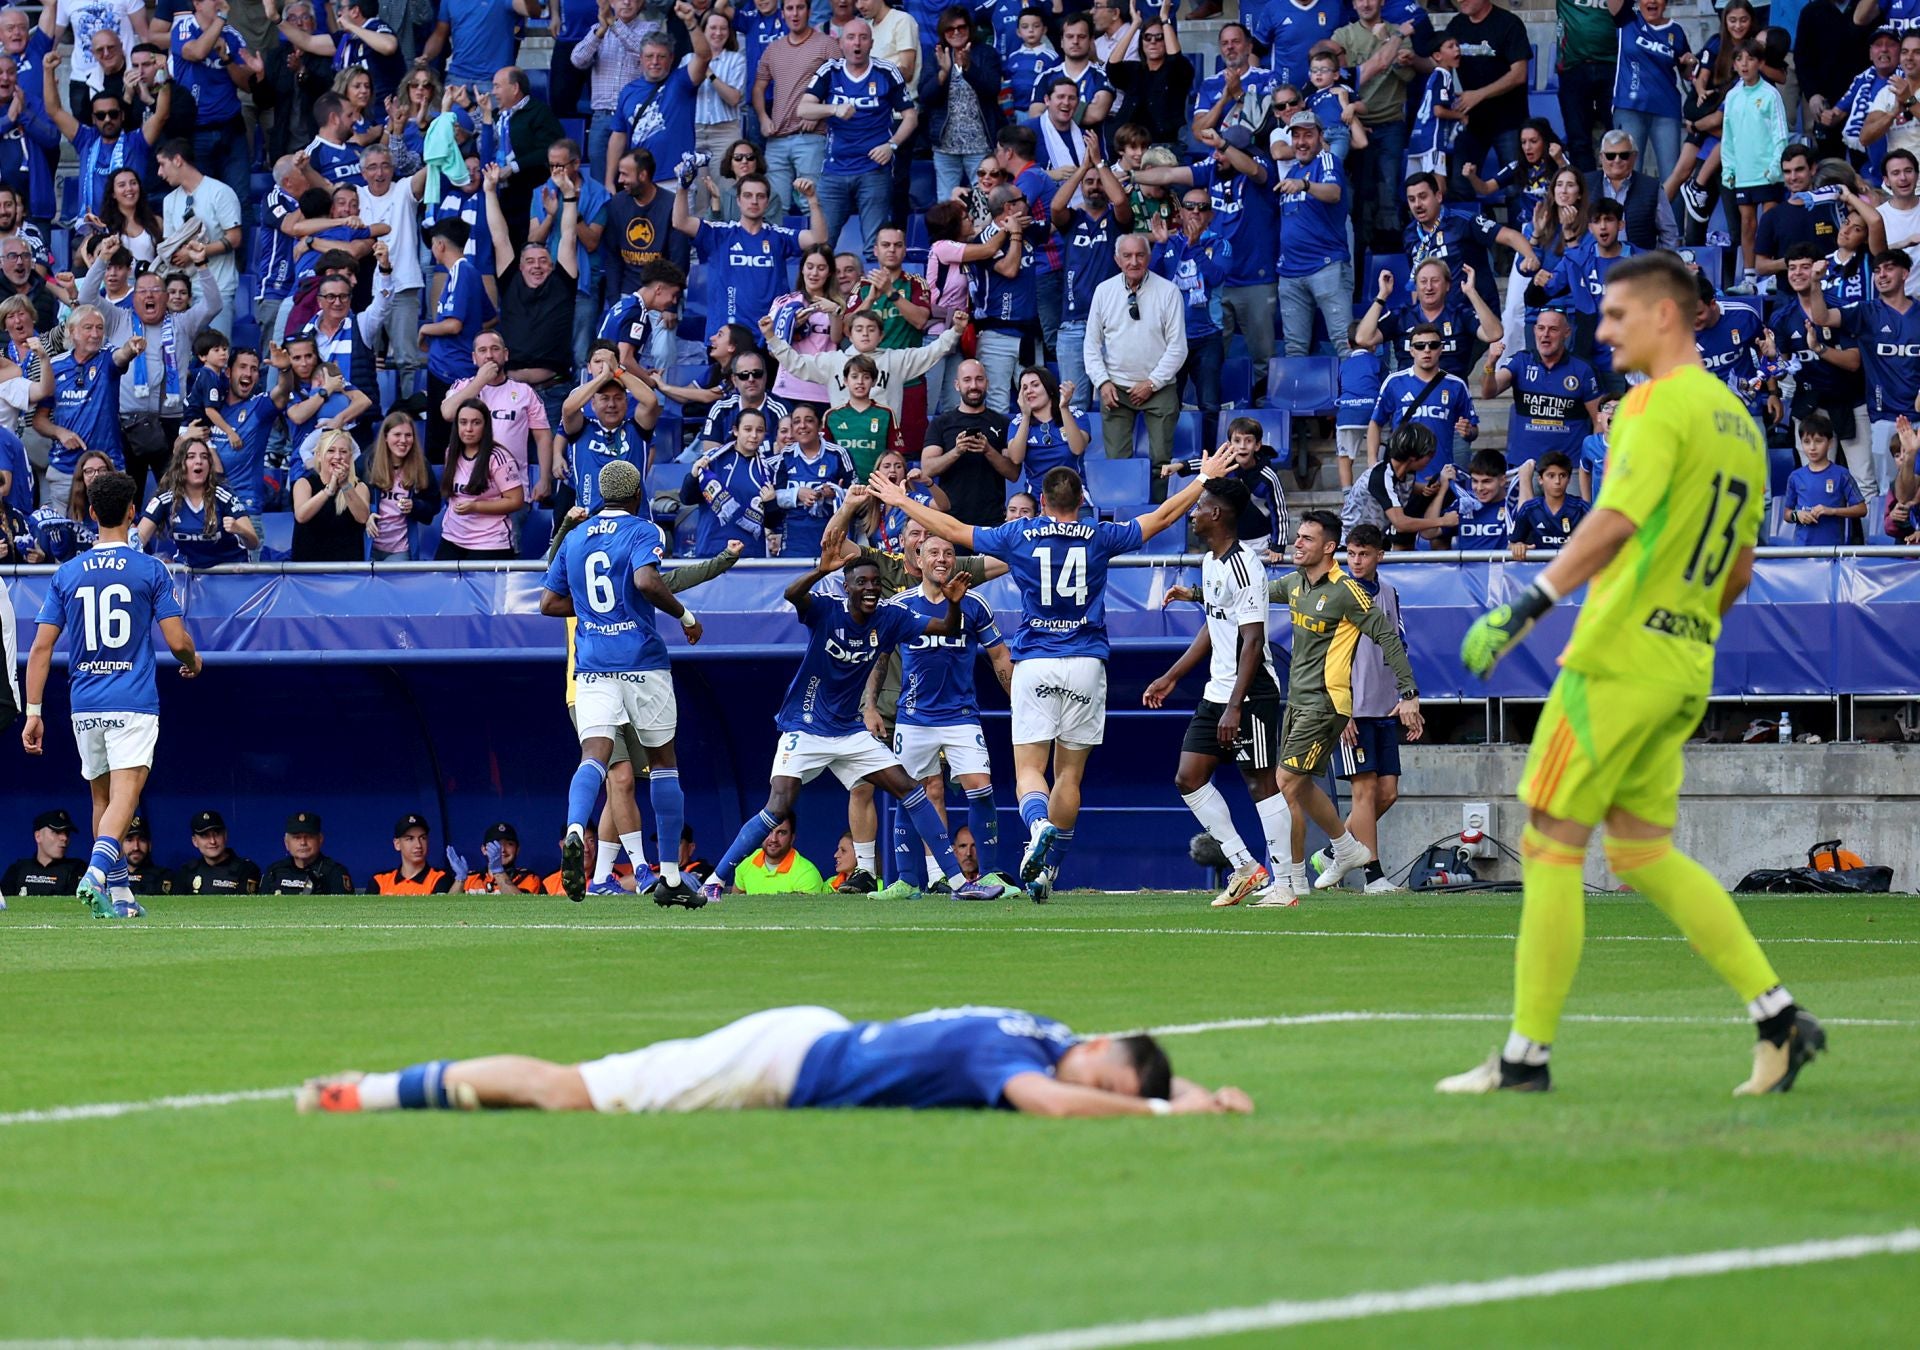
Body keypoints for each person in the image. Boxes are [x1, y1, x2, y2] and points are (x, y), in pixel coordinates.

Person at [1445, 251, 1825, 1097]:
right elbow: (1740, 572)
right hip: (1683, 663)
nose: (1600, 329)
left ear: (1665, 315)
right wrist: (1683, 629)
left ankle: (1524, 1060)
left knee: (1546, 839)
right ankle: (1778, 1018)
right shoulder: (1740, 422)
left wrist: (1528, 604)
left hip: (1616, 660)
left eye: (1615, 315)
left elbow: (1615, 516)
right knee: (1643, 851)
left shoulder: (1652, 406)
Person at [870, 448, 1228, 899]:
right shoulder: (1099, 535)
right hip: (1086, 662)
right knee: (1070, 776)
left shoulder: (1019, 534)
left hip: (1036, 659)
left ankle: (1037, 825)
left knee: (1028, 771)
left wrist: (902, 502)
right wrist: (1203, 479)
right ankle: (1048, 869)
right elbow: (1160, 518)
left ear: (1040, 499)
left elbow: (954, 530)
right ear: (1081, 499)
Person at [699, 550, 1007, 904]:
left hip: (849, 731)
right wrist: (819, 570)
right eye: (861, 582)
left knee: (911, 789)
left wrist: (953, 605)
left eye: (876, 582)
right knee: (778, 806)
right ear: (847, 587)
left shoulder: (890, 617)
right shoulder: (827, 610)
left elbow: (946, 627)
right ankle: (715, 880)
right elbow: (792, 596)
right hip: (806, 725)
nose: (870, 588)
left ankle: (958, 883)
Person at [296, 1004, 1253, 1117]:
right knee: (571, 1092)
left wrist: (1201, 1092)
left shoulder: (1051, 1031)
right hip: (781, 1060)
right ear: (1090, 1055)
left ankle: (375, 1091)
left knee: (578, 1091)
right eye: (1108, 1085)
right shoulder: (1004, 1050)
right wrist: (1168, 1115)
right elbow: (1051, 1104)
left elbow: (1110, 1067)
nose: (1092, 1089)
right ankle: (360, 1092)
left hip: (806, 1042)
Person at [20, 471, 200, 917]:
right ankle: (96, 873)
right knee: (127, 795)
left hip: (85, 702)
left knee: (101, 799)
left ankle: (119, 897)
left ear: (93, 512)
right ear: (133, 511)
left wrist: (34, 712)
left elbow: (41, 647)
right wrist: (192, 663)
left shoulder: (67, 572)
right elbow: (177, 640)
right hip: (132, 700)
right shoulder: (150, 569)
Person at [541, 459, 705, 908]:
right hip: (640, 660)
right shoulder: (644, 530)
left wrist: (595, 616)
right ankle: (669, 876)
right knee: (663, 762)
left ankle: (576, 828)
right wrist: (686, 617)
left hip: (592, 666)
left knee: (593, 755)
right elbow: (647, 580)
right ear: (637, 497)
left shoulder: (574, 539)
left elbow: (547, 603)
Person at [1142, 478, 1289, 909]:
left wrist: (1235, 706)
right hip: (1218, 689)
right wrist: (1171, 676)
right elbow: (1213, 625)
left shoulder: (1247, 566)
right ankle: (1244, 865)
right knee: (1188, 777)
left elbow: (1253, 642)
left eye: (1200, 506)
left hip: (1251, 692)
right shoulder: (1210, 562)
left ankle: (1284, 883)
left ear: (1218, 515)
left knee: (1260, 782)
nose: (1193, 513)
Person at [1264, 510, 1421, 907]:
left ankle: (1335, 856)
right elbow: (1251, 594)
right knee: (1301, 787)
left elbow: (1389, 638)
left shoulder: (1356, 593)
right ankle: (1328, 870)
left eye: (1306, 539)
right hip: (1318, 704)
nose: (1297, 544)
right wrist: (1197, 593)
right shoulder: (1297, 584)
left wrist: (1408, 693)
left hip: (1346, 704)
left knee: (1375, 792)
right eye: (1297, 537)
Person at [872, 530, 1013, 897]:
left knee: (981, 789)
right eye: (933, 552)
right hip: (914, 717)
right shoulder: (900, 605)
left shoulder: (974, 604)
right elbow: (880, 658)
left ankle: (991, 873)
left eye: (949, 553)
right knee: (909, 793)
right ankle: (905, 880)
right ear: (917, 561)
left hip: (962, 715)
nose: (942, 559)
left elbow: (999, 654)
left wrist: (1017, 699)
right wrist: (869, 706)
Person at [1309, 523, 1408, 894]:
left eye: (1364, 554)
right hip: (1351, 708)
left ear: (1379, 555)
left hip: (1383, 705)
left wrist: (1407, 694)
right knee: (1364, 792)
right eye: (1351, 554)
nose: (1356, 561)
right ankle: (1373, 876)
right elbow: (1320, 656)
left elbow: (1400, 644)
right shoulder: (1336, 594)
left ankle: (1333, 853)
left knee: (1387, 794)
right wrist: (1341, 710)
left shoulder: (1389, 592)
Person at [1803, 248, 1920, 495]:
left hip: (1919, 415)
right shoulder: (1866, 312)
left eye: (1889, 268)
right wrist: (1815, 282)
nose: (1881, 275)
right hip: (1885, 417)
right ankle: (1890, 536)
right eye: (1877, 270)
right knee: (1888, 491)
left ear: (1905, 274)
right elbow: (1822, 317)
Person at [796, 19, 915, 262]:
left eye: (863, 37)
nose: (856, 43)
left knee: (876, 250)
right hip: (834, 169)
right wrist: (833, 109)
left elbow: (911, 117)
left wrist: (891, 145)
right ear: (841, 43)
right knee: (821, 246)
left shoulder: (886, 71)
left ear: (871, 43)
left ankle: (876, 300)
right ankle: (817, 300)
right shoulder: (830, 70)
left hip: (874, 170)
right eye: (850, 37)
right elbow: (803, 109)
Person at [1083, 233, 1186, 476]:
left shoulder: (1168, 291)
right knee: (1118, 463)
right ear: (1117, 260)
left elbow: (1178, 347)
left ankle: (1161, 511)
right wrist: (1102, 381)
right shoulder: (1103, 291)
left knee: (1162, 463)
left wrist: (1152, 383)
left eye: (1140, 255)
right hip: (1115, 388)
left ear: (1149, 258)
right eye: (1127, 256)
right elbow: (1091, 344)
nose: (1134, 262)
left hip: (1159, 388)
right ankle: (1123, 513)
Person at [35, 304, 139, 516]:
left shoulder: (107, 358)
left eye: (99, 328)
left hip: (108, 466)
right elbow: (39, 420)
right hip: (66, 467)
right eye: (88, 327)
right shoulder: (54, 366)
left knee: (112, 531)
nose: (95, 334)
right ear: (72, 331)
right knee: (64, 536)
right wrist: (60, 432)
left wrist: (130, 348)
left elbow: (121, 357)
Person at [1150, 181, 1229, 449]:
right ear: (1180, 212)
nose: (1195, 211)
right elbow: (1151, 282)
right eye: (1190, 206)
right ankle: (1170, 457)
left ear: (1211, 214)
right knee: (1168, 403)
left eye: (1202, 207)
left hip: (1207, 336)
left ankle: (1208, 460)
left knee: (1208, 403)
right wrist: (1160, 246)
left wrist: (1195, 247)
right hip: (1171, 337)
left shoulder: (1221, 244)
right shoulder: (1168, 242)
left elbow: (1216, 277)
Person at [1479, 309, 1603, 469]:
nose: (1545, 334)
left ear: (1566, 333)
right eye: (1541, 328)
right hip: (1524, 467)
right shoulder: (1520, 361)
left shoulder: (1583, 369)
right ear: (1534, 330)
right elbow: (1487, 392)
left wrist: (1593, 461)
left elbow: (1598, 419)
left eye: (1553, 329)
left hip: (1569, 469)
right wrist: (1490, 364)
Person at [421, 218, 498, 461]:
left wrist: (426, 330)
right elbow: (490, 317)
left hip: (451, 372)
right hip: (447, 369)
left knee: (443, 448)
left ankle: (443, 496)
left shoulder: (463, 272)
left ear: (439, 245)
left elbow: (454, 324)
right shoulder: (467, 272)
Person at [753, 0, 838, 212]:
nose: (795, 13)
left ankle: (816, 247)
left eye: (800, 7)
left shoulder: (827, 44)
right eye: (790, 8)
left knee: (812, 205)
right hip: (777, 139)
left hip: (810, 137)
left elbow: (841, 86)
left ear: (809, 11)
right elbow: (758, 88)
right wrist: (763, 118)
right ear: (783, 14)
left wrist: (817, 113)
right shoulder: (773, 49)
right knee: (773, 208)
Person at [1366, 321, 1478, 477]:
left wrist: (1468, 432)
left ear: (1441, 349)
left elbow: (1473, 429)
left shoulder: (1456, 385)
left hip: (1441, 476)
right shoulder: (1394, 382)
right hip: (1402, 477)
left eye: (1433, 345)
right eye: (1420, 346)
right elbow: (1375, 422)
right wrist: (1372, 463)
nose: (1427, 350)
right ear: (1411, 350)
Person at [1720, 41, 1789, 292]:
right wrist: (1729, 168)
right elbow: (1727, 137)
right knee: (1747, 225)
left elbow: (1781, 134)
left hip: (1768, 174)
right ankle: (1749, 279)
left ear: (1760, 63)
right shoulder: (1732, 96)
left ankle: (1771, 275)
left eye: (1750, 59)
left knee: (1770, 224)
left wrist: (1775, 167)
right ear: (1734, 64)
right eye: (1740, 59)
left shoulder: (1770, 94)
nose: (1745, 64)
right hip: (1744, 174)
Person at [136, 434, 257, 568]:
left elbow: (253, 542)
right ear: (180, 464)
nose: (199, 461)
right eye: (191, 456)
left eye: (204, 457)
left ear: (209, 465)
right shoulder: (165, 500)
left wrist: (240, 530)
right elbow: (137, 540)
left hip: (231, 574)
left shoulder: (224, 496)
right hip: (191, 578)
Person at [1585, 128, 1679, 252]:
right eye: (1610, 156)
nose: (1617, 160)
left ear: (1634, 156)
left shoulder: (1652, 187)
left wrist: (1660, 265)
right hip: (1593, 265)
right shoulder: (1585, 183)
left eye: (1624, 155)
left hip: (1639, 266)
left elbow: (1669, 234)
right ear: (1601, 157)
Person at [1782, 410, 1867, 544]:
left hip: (1832, 550)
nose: (1812, 447)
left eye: (1818, 441)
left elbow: (1862, 509)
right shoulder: (1795, 476)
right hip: (1801, 550)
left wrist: (1832, 511)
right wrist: (1797, 515)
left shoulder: (1842, 474)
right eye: (1806, 442)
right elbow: (1787, 513)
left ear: (1830, 442)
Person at [1508, 449, 1592, 557]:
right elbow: (1512, 543)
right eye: (1551, 476)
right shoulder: (1529, 508)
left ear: (1569, 479)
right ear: (1540, 479)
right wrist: (1518, 546)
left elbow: (1603, 539)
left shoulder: (1581, 508)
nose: (1557, 481)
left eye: (1562, 475)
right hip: (1539, 570)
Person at [168, 806, 259, 896]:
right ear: (195, 841)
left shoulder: (245, 870)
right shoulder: (187, 872)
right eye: (205, 836)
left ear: (225, 836)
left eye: (217, 834)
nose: (212, 841)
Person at [730, 812, 830, 893]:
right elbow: (735, 904)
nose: (773, 839)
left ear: (792, 838)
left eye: (781, 832)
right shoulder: (747, 860)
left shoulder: (807, 874)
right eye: (769, 831)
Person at [260, 811, 357, 895]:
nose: (303, 843)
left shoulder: (334, 873)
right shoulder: (274, 872)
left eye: (309, 837)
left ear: (320, 840)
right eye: (297, 837)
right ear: (286, 843)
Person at [3, 808, 84, 897]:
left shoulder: (77, 869)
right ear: (38, 836)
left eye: (67, 833)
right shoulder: (18, 870)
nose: (64, 838)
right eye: (56, 832)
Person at [370, 812, 456, 894]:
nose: (418, 845)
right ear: (397, 844)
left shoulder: (440, 878)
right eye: (410, 839)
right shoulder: (380, 881)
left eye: (422, 838)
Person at [461, 821, 543, 895]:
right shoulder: (469, 879)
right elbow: (449, 908)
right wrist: (459, 880)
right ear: (484, 849)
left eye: (509, 844)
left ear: (517, 850)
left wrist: (498, 873)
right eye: (496, 844)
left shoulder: (529, 879)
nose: (503, 850)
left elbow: (522, 907)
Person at [118, 814, 164, 896]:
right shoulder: (108, 878)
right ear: (120, 845)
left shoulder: (162, 877)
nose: (136, 847)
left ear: (149, 845)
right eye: (129, 840)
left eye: (142, 840)